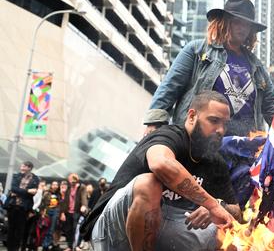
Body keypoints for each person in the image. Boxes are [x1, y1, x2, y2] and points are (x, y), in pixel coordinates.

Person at [143, 0, 274, 207]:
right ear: (223, 21)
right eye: (237, 21)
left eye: (246, 24)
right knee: (193, 206)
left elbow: (272, 108)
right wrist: (155, 125)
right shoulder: (198, 51)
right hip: (201, 146)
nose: (242, 28)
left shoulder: (257, 67)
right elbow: (170, 88)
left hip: (243, 151)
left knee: (234, 214)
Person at [81, 91, 237, 250]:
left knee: (229, 236)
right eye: (214, 121)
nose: (220, 130)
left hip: (165, 230)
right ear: (192, 116)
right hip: (113, 231)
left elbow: (236, 211)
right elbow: (160, 163)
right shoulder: (170, 136)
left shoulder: (216, 162)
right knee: (149, 184)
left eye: (225, 124)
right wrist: (212, 205)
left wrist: (219, 205)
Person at [5, 161, 40, 251]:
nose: (21, 168)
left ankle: (16, 248)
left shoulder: (35, 179)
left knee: (20, 230)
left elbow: (33, 193)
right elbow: (13, 188)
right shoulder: (17, 176)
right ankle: (10, 248)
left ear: (29, 168)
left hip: (24, 207)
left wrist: (18, 192)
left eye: (24, 167)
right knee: (11, 229)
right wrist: (27, 191)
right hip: (12, 205)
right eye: (21, 166)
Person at [60, 173, 87, 251]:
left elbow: (84, 197)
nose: (72, 182)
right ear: (69, 180)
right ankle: (70, 246)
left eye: (74, 181)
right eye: (71, 180)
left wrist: (84, 205)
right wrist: (62, 213)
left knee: (77, 229)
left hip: (77, 211)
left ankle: (77, 246)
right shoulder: (67, 188)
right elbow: (63, 201)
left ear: (77, 180)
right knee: (68, 230)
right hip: (67, 212)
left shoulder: (81, 187)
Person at [41, 180, 61, 250]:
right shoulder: (47, 193)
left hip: (55, 211)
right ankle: (45, 245)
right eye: (53, 185)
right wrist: (42, 212)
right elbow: (43, 203)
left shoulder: (59, 194)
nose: (55, 186)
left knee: (52, 229)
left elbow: (60, 203)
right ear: (51, 186)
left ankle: (46, 245)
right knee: (46, 229)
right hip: (48, 211)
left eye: (56, 185)